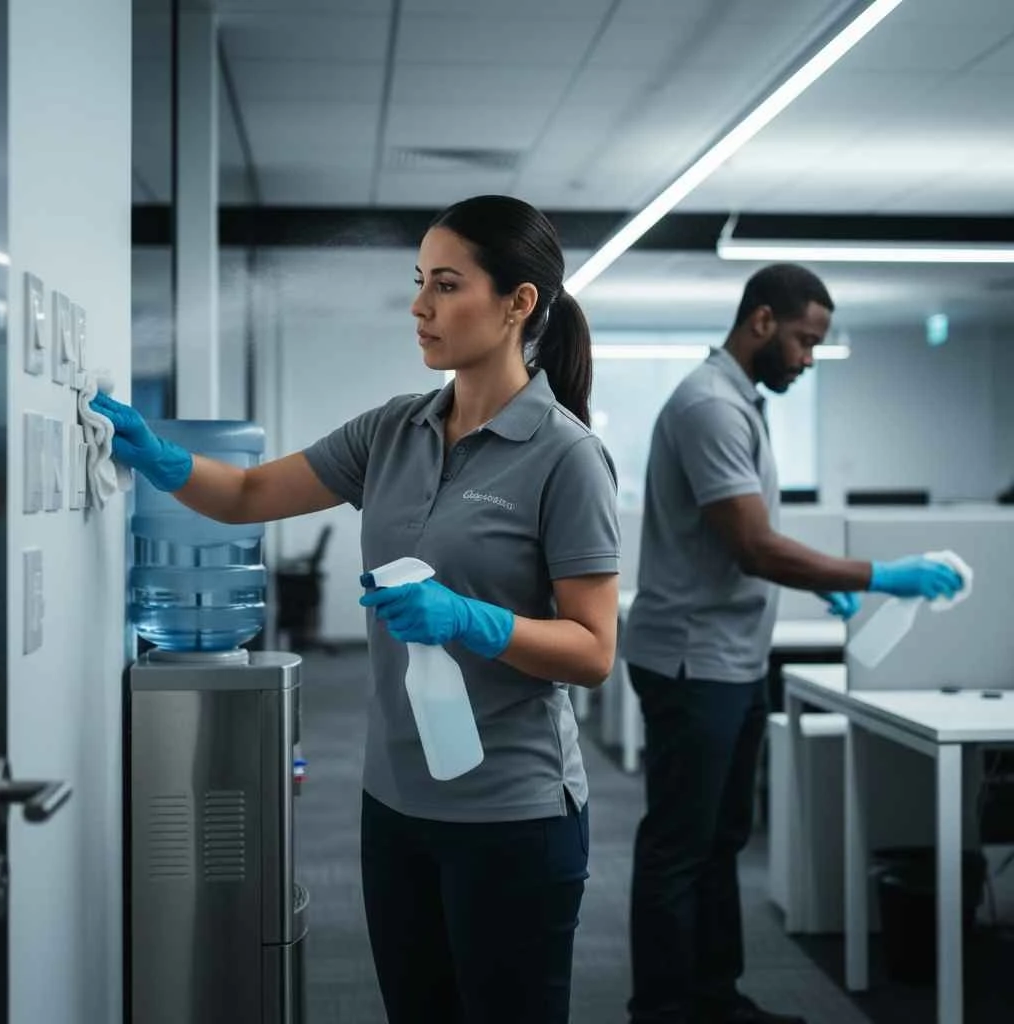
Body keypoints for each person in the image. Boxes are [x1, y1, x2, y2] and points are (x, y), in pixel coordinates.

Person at [94, 196, 620, 1024]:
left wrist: (470, 619)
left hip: (512, 813)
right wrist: (158, 458)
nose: (420, 307)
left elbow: (593, 650)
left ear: (519, 303)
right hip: (395, 802)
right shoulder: (394, 430)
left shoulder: (567, 456)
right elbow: (247, 492)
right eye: (420, 282)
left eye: (446, 285)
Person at [621, 263, 964, 1024]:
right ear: (763, 322)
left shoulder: (741, 401)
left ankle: (715, 1000)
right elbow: (751, 546)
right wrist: (880, 574)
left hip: (732, 657)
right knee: (680, 846)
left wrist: (817, 581)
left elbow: (751, 533)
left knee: (721, 840)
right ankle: (665, 1012)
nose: (810, 360)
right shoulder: (710, 406)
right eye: (806, 341)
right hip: (692, 660)